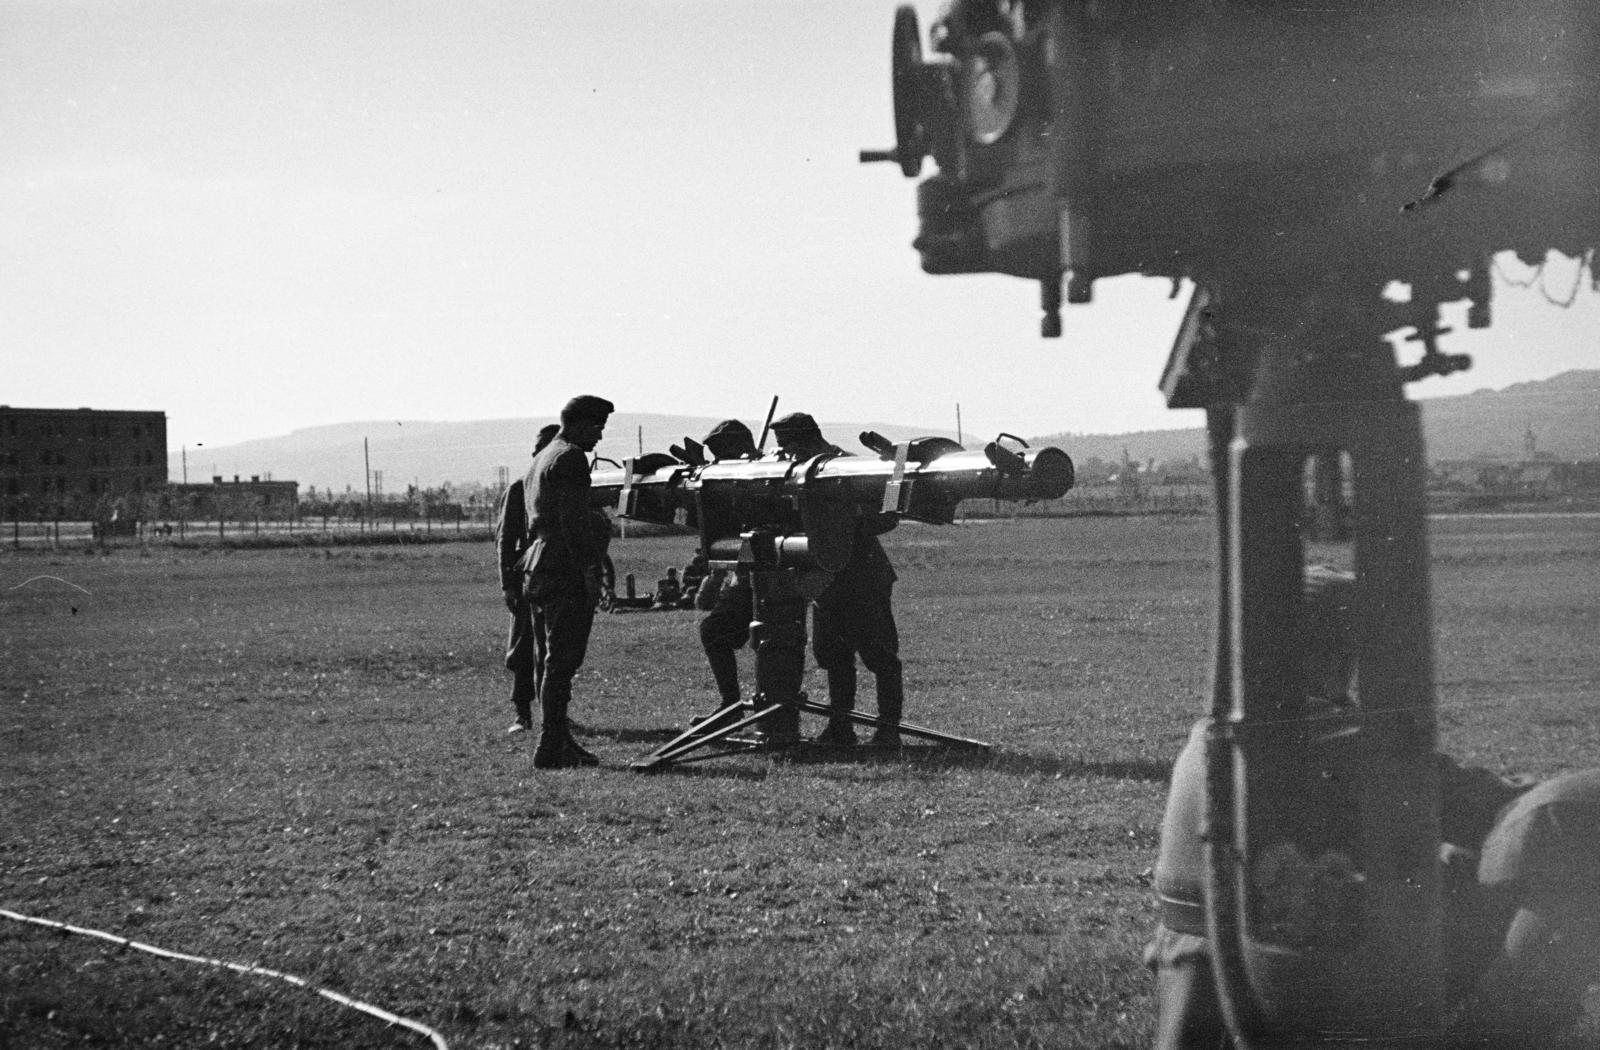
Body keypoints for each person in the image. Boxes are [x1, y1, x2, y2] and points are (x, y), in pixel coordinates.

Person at [1146, 568, 1600, 1048]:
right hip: (1295, 982)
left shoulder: (1217, 734)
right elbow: (1496, 807)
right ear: (1338, 653)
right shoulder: (1329, 737)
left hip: (1204, 980)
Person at [770, 412, 904, 749]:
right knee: (834, 656)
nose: (786, 455)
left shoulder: (846, 468)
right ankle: (840, 726)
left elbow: (888, 515)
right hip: (825, 578)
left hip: (863, 576)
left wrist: (849, 524)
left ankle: (889, 730)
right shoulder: (796, 473)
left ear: (806, 441)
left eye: (788, 447)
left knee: (880, 656)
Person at [517, 395, 614, 769]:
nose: (599, 438)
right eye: (596, 427)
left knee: (548, 657)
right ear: (576, 423)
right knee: (562, 660)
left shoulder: (542, 457)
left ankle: (556, 739)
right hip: (564, 567)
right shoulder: (570, 457)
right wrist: (592, 571)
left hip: (538, 567)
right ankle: (550, 744)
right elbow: (573, 522)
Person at [696, 420, 765, 716]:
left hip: (763, 576)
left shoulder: (760, 475)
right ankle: (732, 704)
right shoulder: (735, 479)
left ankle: (732, 705)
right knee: (715, 630)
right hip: (745, 575)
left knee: (714, 630)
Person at [495, 423, 559, 733]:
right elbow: (505, 541)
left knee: (555, 649)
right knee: (523, 649)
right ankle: (522, 712)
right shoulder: (520, 488)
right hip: (526, 576)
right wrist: (508, 584)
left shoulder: (563, 487)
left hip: (556, 575)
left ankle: (554, 712)